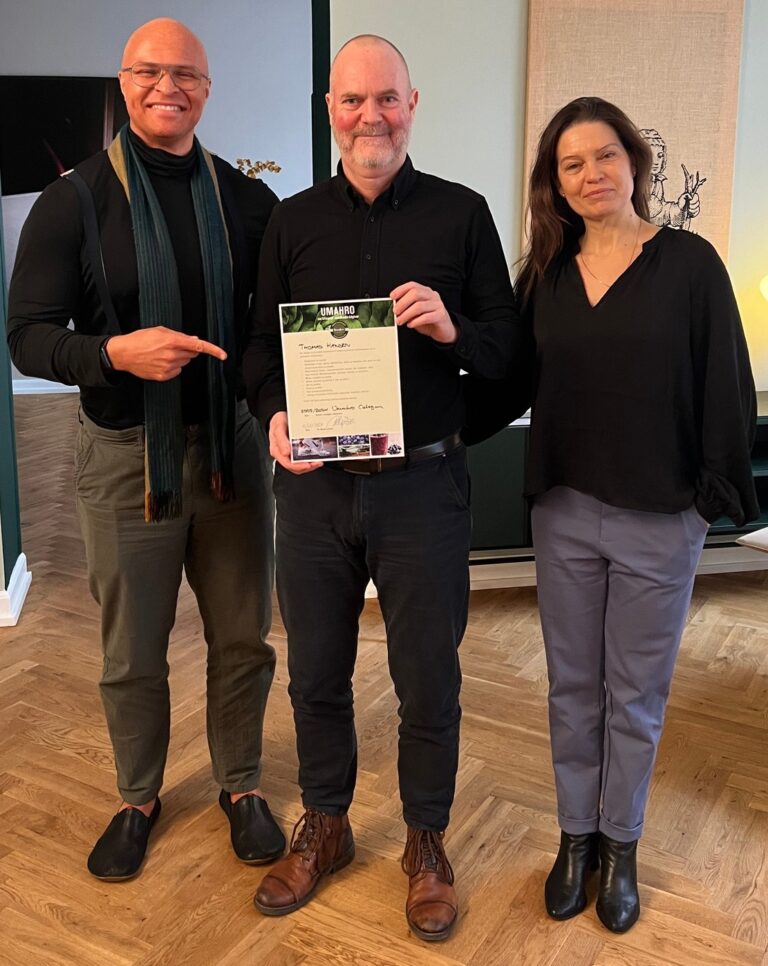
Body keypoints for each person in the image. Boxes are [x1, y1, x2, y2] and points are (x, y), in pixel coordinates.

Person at [244, 34, 525, 942]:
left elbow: (509, 354)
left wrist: (452, 331)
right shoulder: (291, 222)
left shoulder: (463, 215)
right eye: (353, 99)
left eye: (388, 98)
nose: (372, 115)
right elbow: (259, 351)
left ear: (413, 105)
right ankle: (324, 825)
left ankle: (426, 842)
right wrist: (272, 414)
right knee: (316, 673)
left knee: (428, 679)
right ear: (331, 109)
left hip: (422, 491)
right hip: (316, 494)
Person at [6, 18, 285, 880]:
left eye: (186, 74)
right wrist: (111, 354)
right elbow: (26, 337)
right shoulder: (73, 201)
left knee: (243, 637)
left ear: (207, 88)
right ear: (124, 83)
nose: (168, 87)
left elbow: (272, 331)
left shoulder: (248, 203)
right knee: (132, 651)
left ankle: (241, 783)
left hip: (233, 453)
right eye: (149, 72)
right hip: (126, 458)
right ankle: (138, 797)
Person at [516, 96, 757, 933]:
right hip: (564, 513)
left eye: (605, 156)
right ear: (555, 182)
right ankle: (575, 836)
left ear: (634, 163)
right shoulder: (543, 274)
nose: (591, 174)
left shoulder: (690, 265)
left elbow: (727, 384)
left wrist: (707, 507)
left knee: (637, 696)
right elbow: (504, 378)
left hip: (660, 515)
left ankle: (620, 844)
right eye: (571, 163)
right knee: (572, 689)